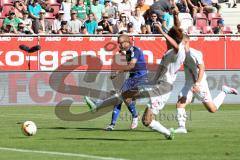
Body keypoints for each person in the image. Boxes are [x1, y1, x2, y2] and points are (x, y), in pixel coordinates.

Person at [85, 10, 186, 140]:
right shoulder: (171, 51)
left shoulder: (179, 51)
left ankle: (166, 132)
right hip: (155, 85)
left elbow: (176, 43)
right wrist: (175, 16)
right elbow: (178, 29)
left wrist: (161, 31)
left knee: (147, 121)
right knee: (124, 94)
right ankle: (98, 106)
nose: (165, 41)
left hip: (162, 90)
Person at [174, 34, 238, 134]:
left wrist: (198, 84)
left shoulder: (193, 53)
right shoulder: (180, 53)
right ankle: (182, 127)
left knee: (212, 109)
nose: (177, 44)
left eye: (179, 41)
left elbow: (202, 68)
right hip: (188, 84)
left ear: (186, 42)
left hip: (200, 84)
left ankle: (224, 91)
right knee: (180, 103)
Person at [85, 34, 148, 131]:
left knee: (120, 96)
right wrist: (124, 55)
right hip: (132, 78)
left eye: (121, 43)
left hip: (140, 78)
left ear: (127, 42)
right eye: (118, 43)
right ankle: (113, 124)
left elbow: (131, 66)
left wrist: (118, 71)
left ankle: (98, 106)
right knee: (120, 99)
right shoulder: (128, 52)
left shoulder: (135, 50)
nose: (119, 45)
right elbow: (131, 67)